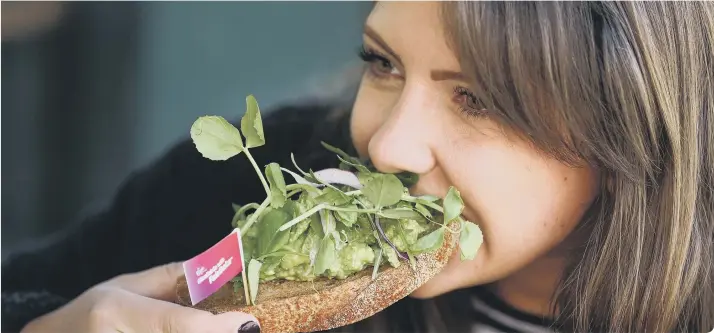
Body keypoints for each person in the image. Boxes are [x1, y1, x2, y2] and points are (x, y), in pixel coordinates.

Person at [3, 2, 713, 333]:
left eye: (479, 99)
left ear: (632, 124)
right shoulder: (262, 179)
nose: (386, 147)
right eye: (383, 64)